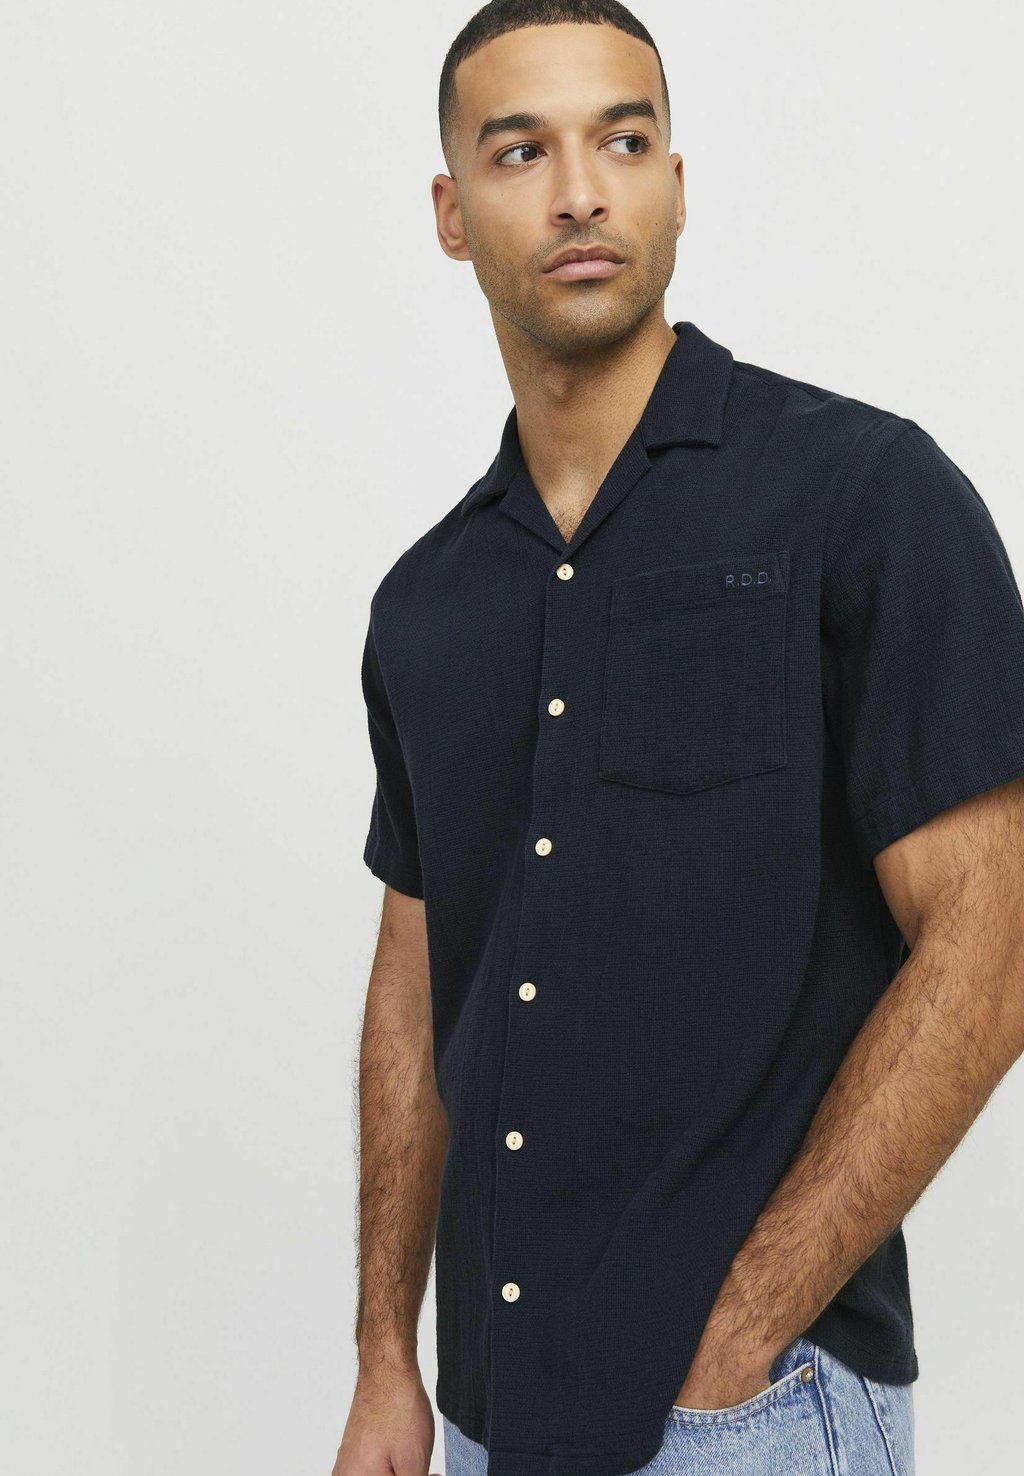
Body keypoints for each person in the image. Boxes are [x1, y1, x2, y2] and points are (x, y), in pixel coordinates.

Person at [332, 4, 1024, 1474]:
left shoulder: (862, 496)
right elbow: (416, 985)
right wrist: (386, 1356)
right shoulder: (426, 604)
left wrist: (743, 1329)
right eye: (521, 152)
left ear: (677, 184)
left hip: (747, 1416)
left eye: (624, 140)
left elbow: (998, 929)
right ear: (452, 214)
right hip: (486, 1424)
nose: (581, 191)